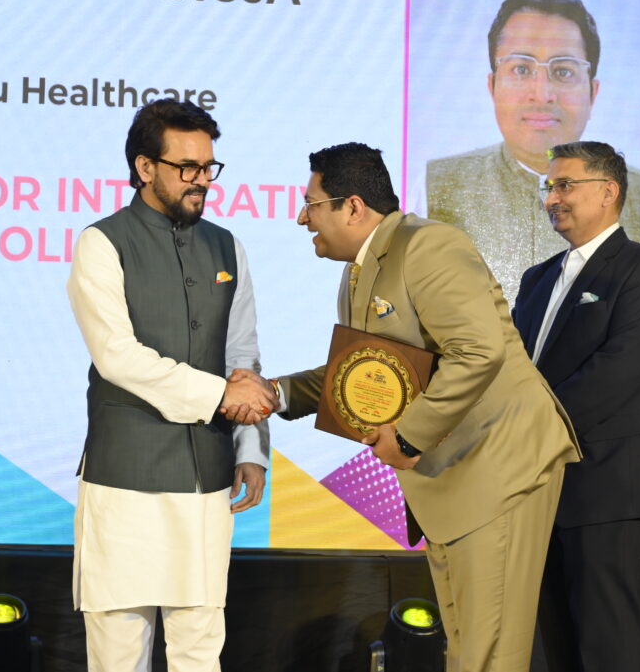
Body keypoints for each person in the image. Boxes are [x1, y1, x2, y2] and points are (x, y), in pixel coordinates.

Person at [230, 142, 581, 672]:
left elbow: (478, 351)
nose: (303, 218)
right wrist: (275, 392)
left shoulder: (428, 246)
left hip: (498, 468)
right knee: (464, 648)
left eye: (311, 204)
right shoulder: (358, 271)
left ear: (352, 207)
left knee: (490, 653)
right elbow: (363, 372)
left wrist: (410, 435)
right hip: (451, 479)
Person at [66, 98, 275, 672]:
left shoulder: (227, 245)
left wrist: (251, 449)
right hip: (123, 479)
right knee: (118, 655)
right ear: (144, 167)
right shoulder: (101, 242)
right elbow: (117, 357)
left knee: (199, 651)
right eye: (187, 167)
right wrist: (218, 396)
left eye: (208, 167)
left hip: (206, 479)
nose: (201, 180)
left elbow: (243, 357)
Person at [511, 141, 640, 672]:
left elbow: (621, 372)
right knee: (558, 640)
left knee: (605, 643)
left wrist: (525, 428)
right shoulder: (537, 278)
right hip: (538, 483)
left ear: (608, 192)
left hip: (607, 485)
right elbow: (512, 372)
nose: (551, 198)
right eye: (549, 187)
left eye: (565, 185)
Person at [422, 0, 640, 303]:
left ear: (592, 92)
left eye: (563, 71)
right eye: (521, 69)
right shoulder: (435, 184)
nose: (542, 94)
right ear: (492, 86)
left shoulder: (638, 192)